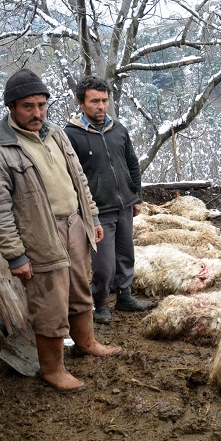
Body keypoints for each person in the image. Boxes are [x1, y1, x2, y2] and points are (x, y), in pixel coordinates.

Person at [0, 68, 121, 393]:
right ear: (11, 107)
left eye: (42, 105)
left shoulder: (55, 133)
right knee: (49, 301)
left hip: (74, 223)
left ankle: (86, 342)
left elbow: (78, 178)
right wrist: (15, 255)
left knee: (81, 286)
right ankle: (52, 369)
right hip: (39, 234)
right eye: (29, 106)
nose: (37, 113)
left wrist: (92, 218)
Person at [64, 76, 153, 324]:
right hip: (98, 210)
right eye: (94, 101)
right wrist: (84, 212)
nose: (101, 106)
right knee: (103, 265)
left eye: (104, 100)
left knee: (126, 255)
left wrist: (136, 196)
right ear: (81, 103)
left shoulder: (118, 130)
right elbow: (71, 177)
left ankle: (125, 296)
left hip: (124, 205)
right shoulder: (71, 135)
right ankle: (100, 302)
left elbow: (132, 164)